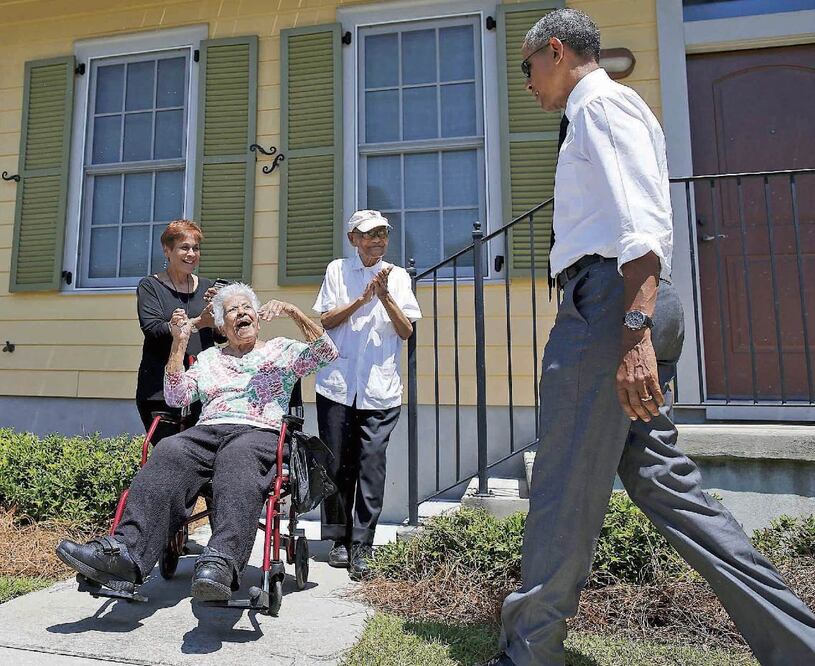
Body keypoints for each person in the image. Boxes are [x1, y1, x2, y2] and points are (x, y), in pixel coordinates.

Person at [483, 9, 815, 666]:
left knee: (560, 483)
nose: (525, 82)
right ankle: (798, 645)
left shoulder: (599, 106)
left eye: (526, 68)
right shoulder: (603, 110)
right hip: (621, 301)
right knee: (664, 483)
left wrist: (631, 334)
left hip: (609, 306)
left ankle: (528, 652)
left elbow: (638, 228)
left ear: (555, 51)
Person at [57, 283, 338, 601]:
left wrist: (293, 311)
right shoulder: (209, 359)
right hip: (208, 432)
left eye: (246, 307)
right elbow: (177, 396)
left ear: (258, 317)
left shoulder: (282, 351)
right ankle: (123, 555)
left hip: (258, 432)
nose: (241, 313)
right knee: (170, 449)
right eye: (231, 310)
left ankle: (221, 562)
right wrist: (179, 344)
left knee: (239, 456)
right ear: (221, 324)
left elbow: (328, 352)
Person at [313, 210, 421, 580]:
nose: (377, 240)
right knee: (336, 464)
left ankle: (363, 543)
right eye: (369, 234)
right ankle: (339, 539)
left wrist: (385, 296)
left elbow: (406, 331)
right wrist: (362, 299)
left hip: (380, 390)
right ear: (353, 239)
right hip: (337, 385)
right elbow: (325, 321)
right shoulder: (336, 271)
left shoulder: (399, 276)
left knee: (370, 466)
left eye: (382, 234)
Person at [136, 220, 220, 444]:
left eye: (196, 248)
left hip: (203, 390)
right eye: (184, 247)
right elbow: (153, 328)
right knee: (170, 454)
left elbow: (221, 337)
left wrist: (220, 315)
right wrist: (196, 323)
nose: (191, 254)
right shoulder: (150, 286)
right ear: (167, 250)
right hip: (160, 392)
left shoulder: (207, 288)